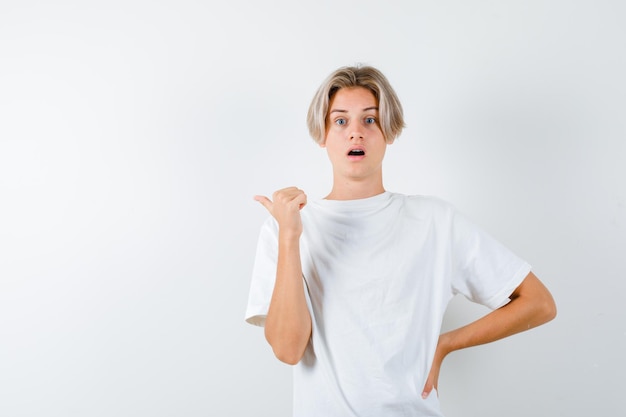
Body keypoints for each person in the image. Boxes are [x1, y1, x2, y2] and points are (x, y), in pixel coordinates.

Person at [245, 65, 556, 417]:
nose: (355, 134)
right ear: (323, 134)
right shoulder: (287, 226)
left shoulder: (434, 221)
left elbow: (538, 303)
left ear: (389, 131)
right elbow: (288, 349)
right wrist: (290, 237)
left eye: (370, 120)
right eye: (341, 121)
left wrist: (445, 344)